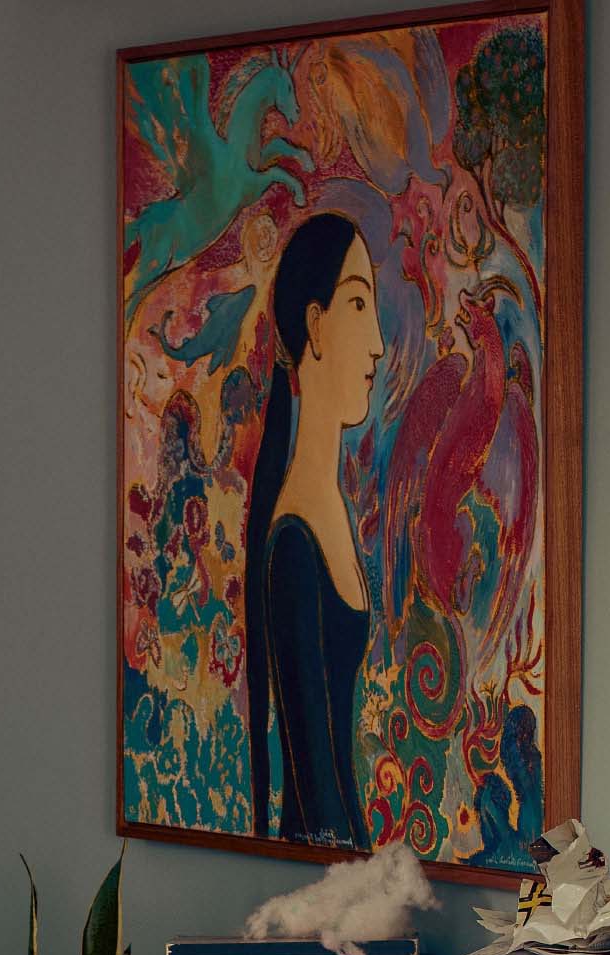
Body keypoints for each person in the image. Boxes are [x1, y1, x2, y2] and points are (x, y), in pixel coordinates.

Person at [242, 212, 388, 848]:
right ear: (316, 325)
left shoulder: (330, 508)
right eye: (359, 304)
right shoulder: (295, 542)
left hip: (346, 879)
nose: (378, 343)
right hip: (323, 887)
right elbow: (320, 805)